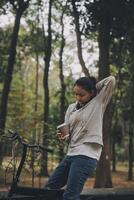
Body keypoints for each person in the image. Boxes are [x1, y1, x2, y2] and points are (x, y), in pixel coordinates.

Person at [45, 75, 116, 200]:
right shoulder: (71, 108)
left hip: (86, 155)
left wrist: (94, 86)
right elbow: (68, 131)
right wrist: (63, 135)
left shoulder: (99, 102)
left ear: (92, 92)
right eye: (75, 94)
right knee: (50, 188)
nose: (78, 97)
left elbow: (111, 80)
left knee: (70, 195)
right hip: (71, 154)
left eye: (81, 94)